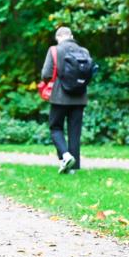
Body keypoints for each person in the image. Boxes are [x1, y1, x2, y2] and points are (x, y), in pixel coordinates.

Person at [41, 25, 92, 173]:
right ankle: (74, 167)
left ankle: (65, 156)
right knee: (74, 132)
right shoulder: (84, 51)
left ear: (59, 38)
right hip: (80, 97)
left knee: (55, 127)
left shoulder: (55, 50)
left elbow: (46, 73)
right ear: (71, 36)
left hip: (59, 97)